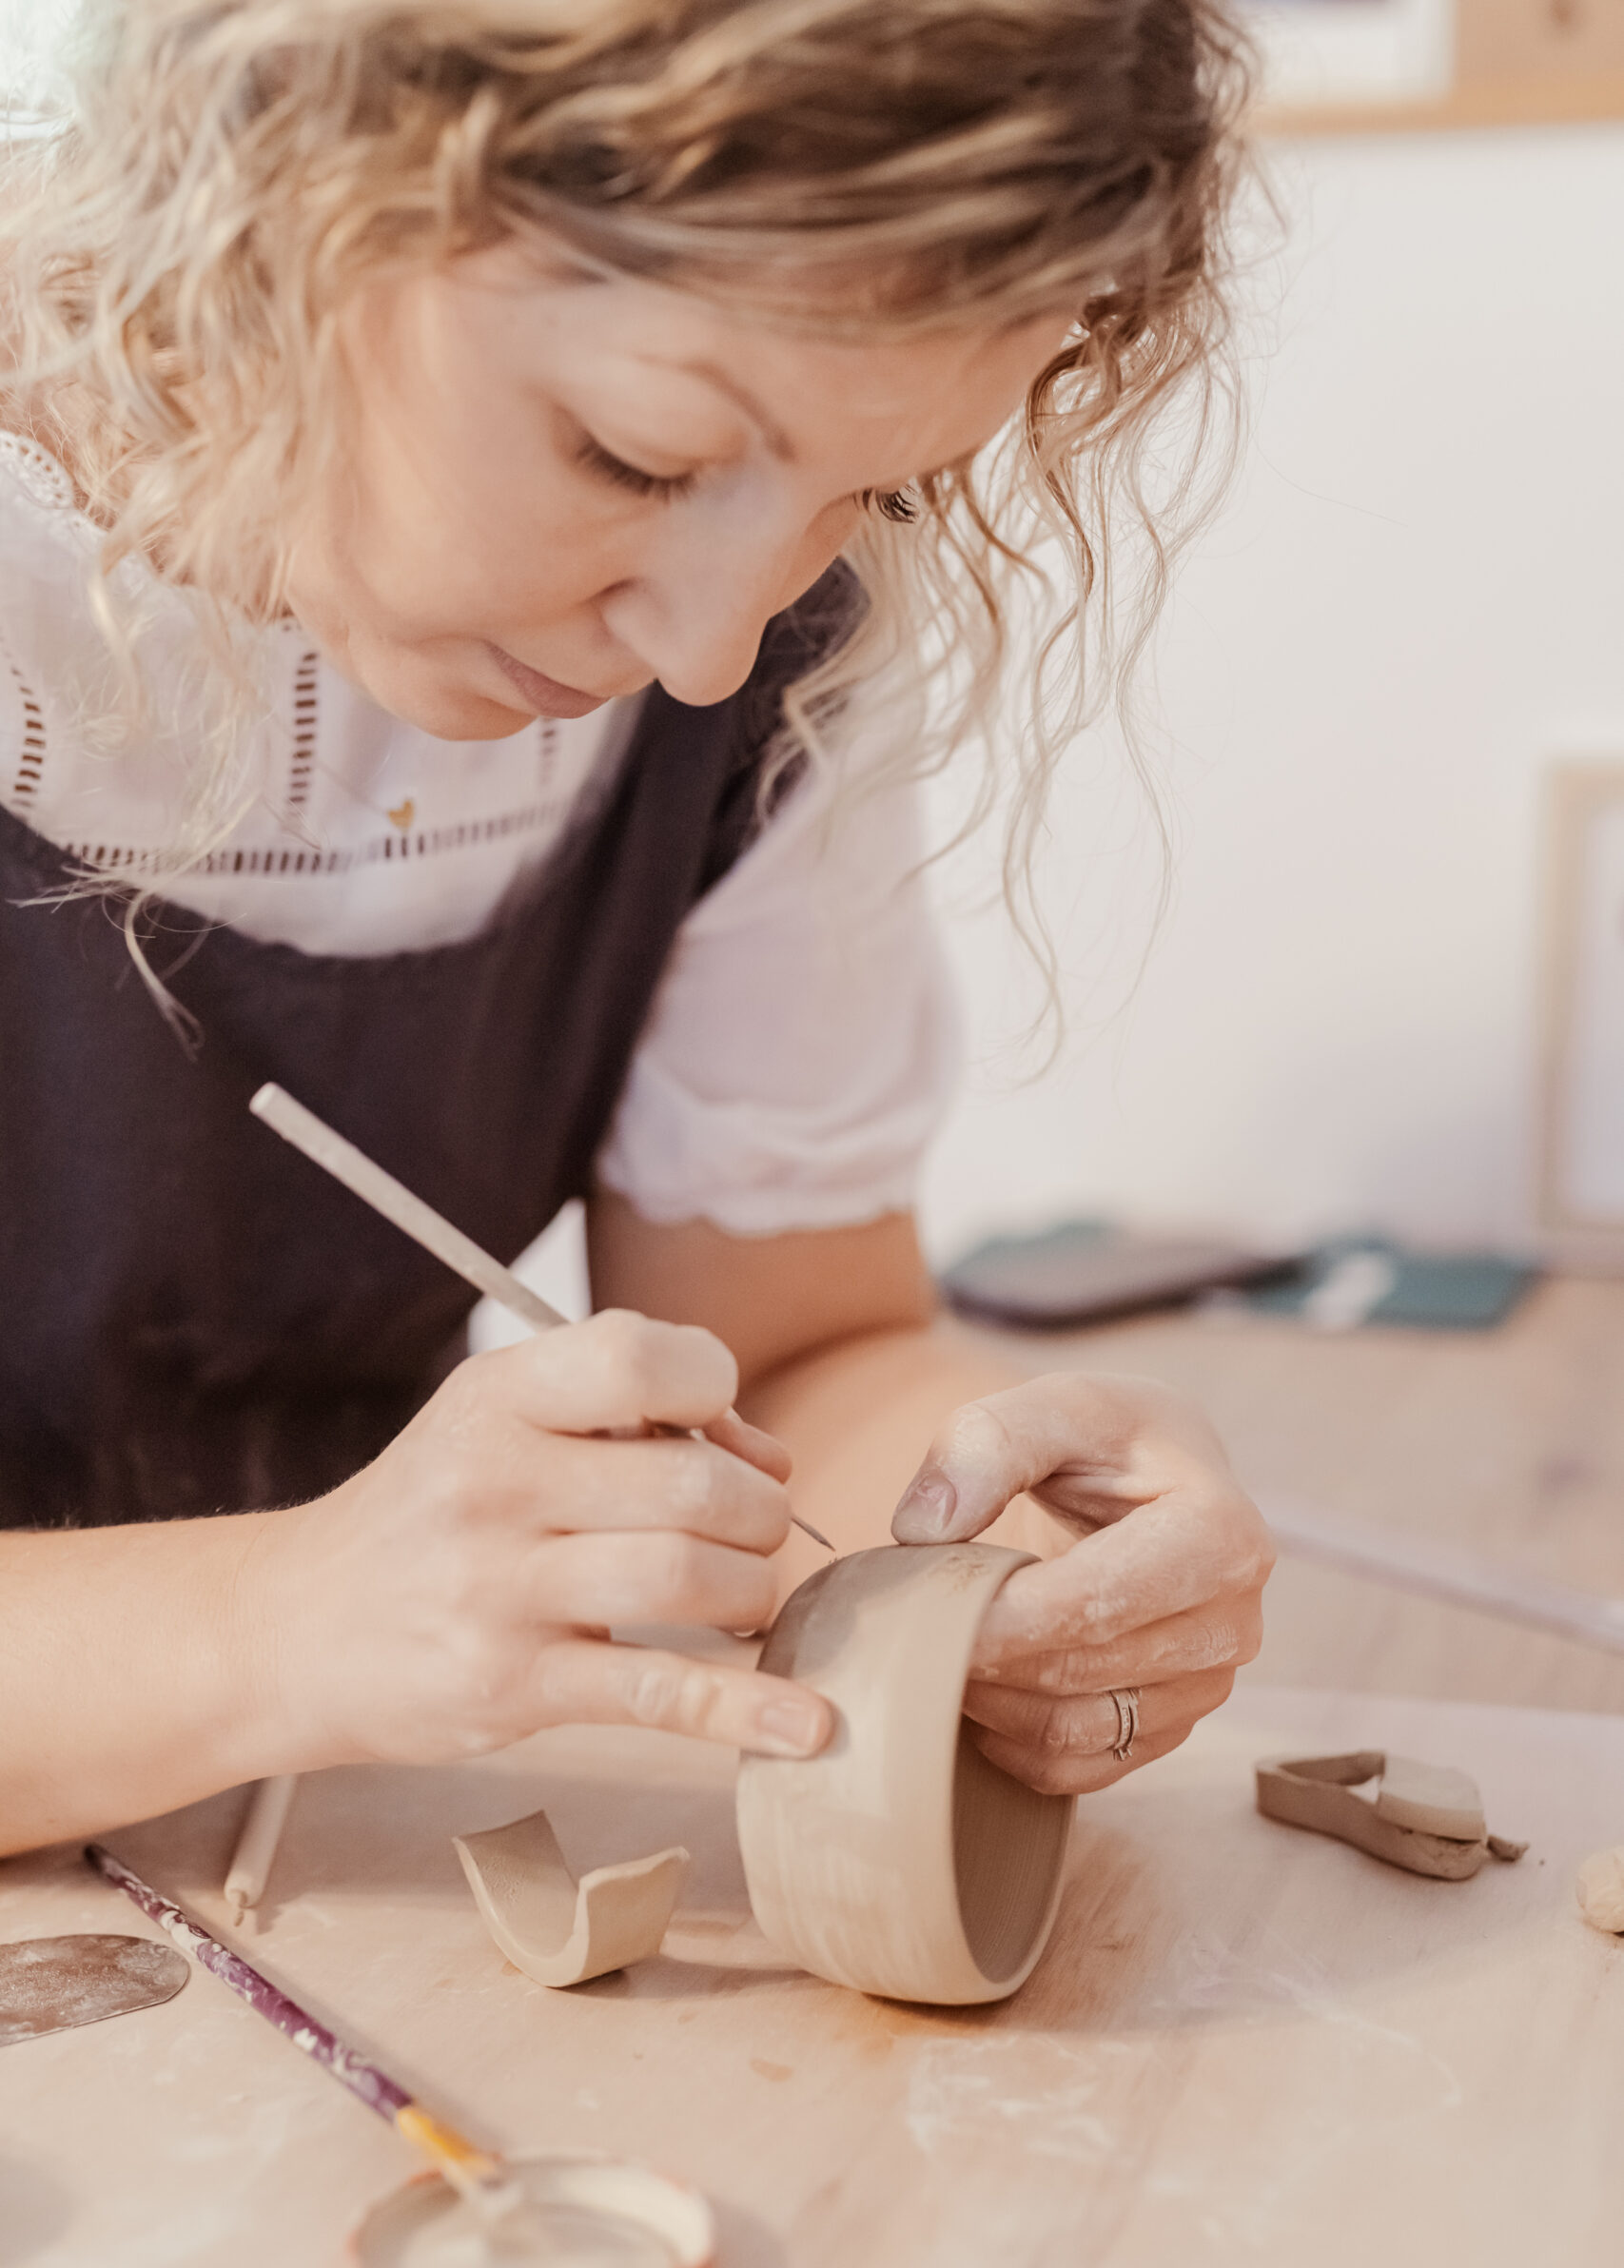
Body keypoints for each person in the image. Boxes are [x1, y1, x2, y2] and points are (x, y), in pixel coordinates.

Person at [0, 0, 1272, 1854]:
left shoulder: (763, 655)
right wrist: (284, 1619)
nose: (704, 646)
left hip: (319, 1856)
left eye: (877, 486)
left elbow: (788, 1353)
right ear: (286, 180)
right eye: (637, 451)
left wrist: (997, 1542)